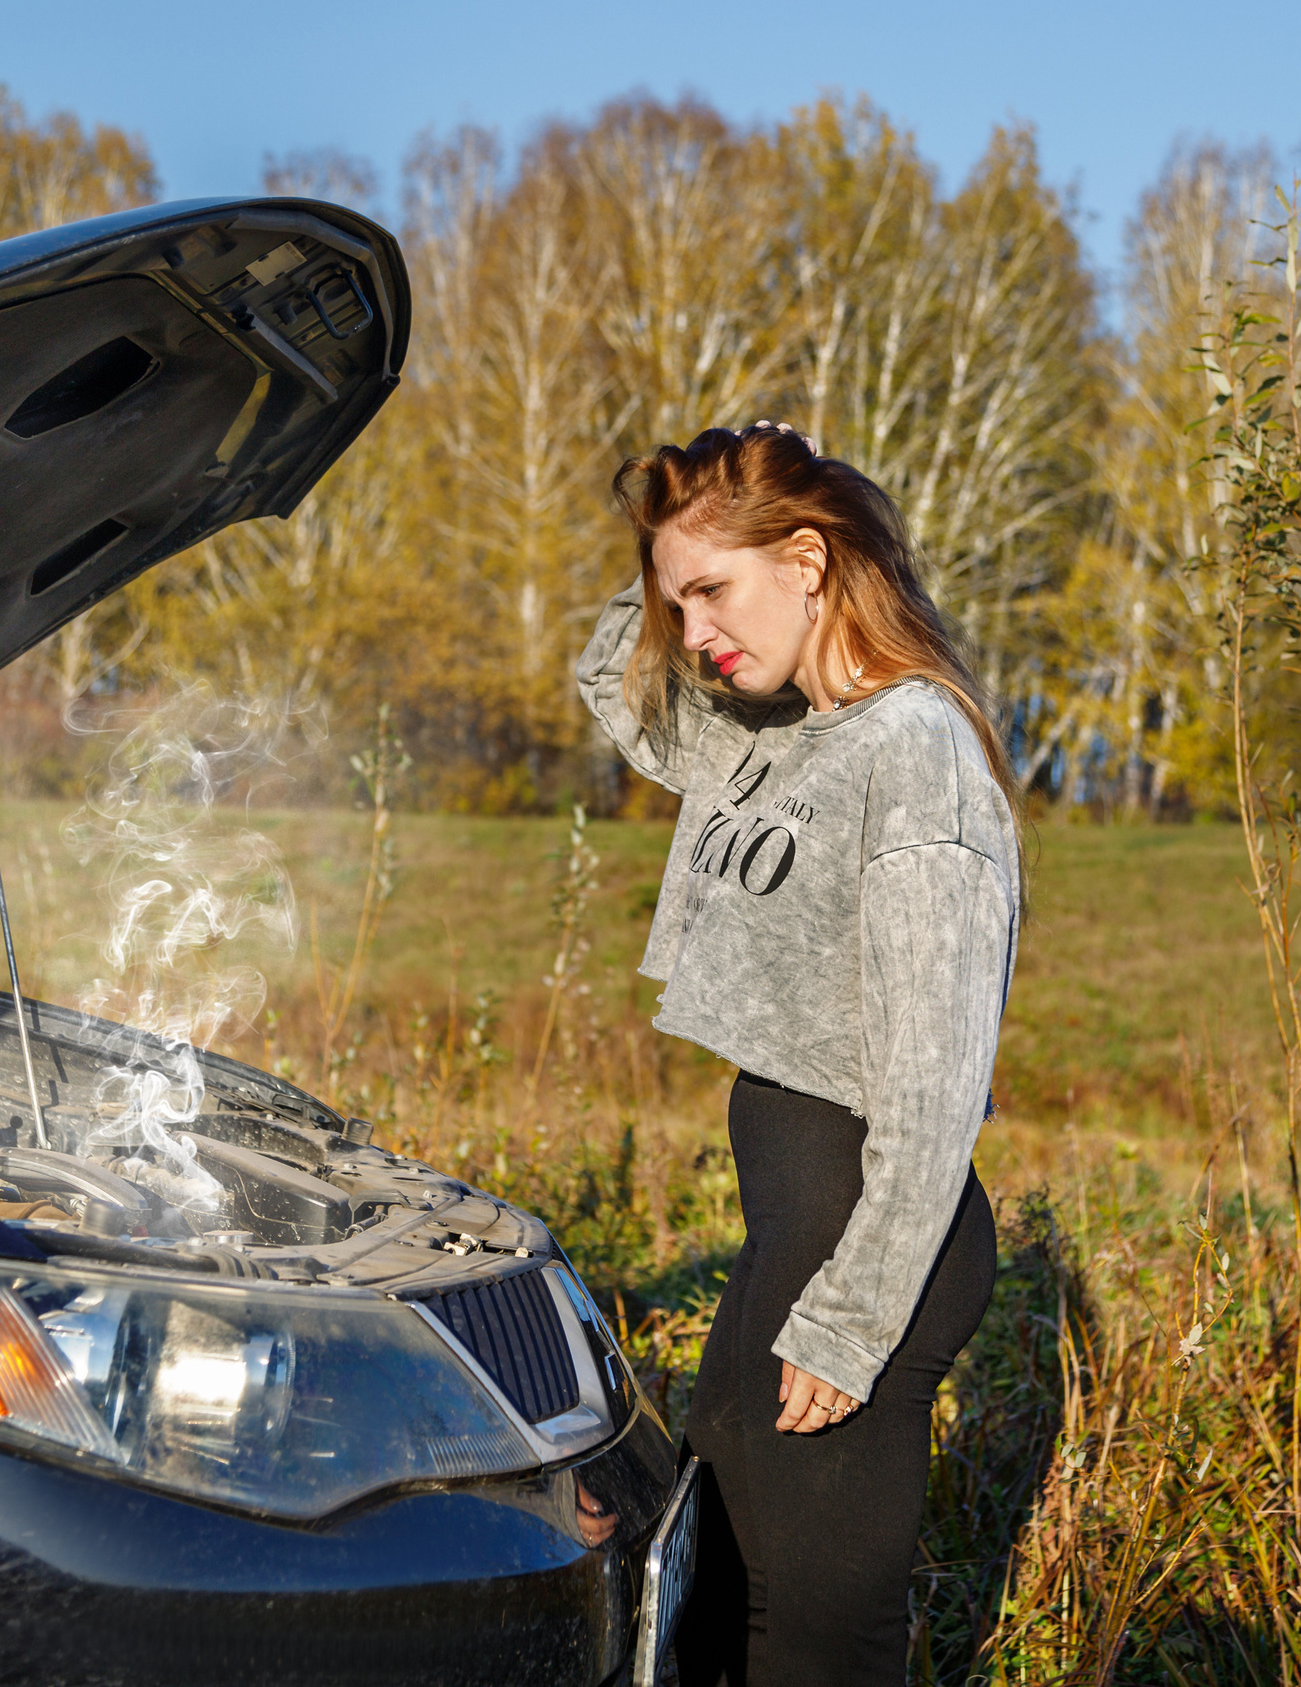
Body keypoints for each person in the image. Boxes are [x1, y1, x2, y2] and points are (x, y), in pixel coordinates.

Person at [574, 423, 1019, 1686]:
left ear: (809, 560)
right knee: (712, 1589)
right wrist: (675, 543)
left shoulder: (915, 750)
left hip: (871, 1237)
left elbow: (937, 1082)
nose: (695, 628)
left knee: (822, 1640)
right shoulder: (773, 733)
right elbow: (614, 685)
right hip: (798, 1226)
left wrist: (851, 1320)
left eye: (714, 590)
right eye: (681, 601)